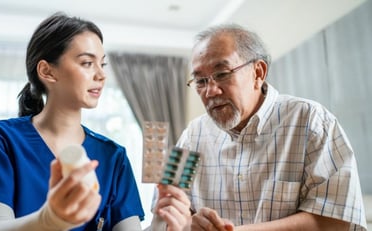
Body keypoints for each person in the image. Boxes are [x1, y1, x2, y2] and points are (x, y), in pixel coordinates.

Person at [150, 24, 367, 231]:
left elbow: (336, 221)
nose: (210, 91)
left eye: (222, 74)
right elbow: (169, 214)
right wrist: (186, 224)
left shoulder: (311, 121)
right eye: (200, 81)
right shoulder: (191, 137)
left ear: (258, 72)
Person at [0, 12, 144, 231]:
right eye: (87, 63)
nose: (101, 75)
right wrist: (50, 220)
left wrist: (163, 221)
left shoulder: (114, 157)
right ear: (47, 71)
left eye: (102, 64)